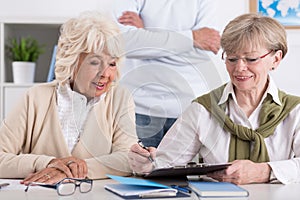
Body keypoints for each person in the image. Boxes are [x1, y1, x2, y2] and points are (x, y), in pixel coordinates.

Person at [128, 13, 300, 185]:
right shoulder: (202, 110)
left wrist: (264, 172)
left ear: (276, 59)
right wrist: (146, 163)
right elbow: (162, 166)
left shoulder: (295, 110)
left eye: (251, 59)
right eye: (232, 58)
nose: (239, 68)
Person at [0, 11, 137, 184]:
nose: (106, 74)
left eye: (112, 64)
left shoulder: (120, 98)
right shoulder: (35, 97)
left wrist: (71, 171)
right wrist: (46, 163)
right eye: (95, 62)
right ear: (72, 61)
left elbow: (127, 158)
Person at [111, 0, 222, 147]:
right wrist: (192, 38)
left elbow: (205, 52)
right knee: (136, 168)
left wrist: (146, 34)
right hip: (138, 106)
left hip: (189, 109)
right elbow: (125, 44)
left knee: (190, 170)